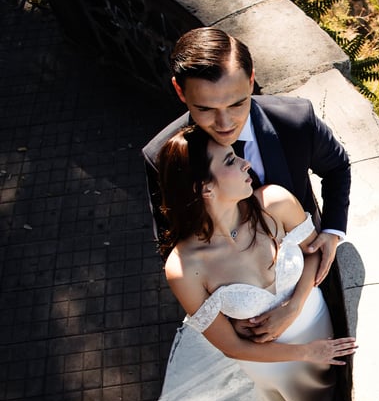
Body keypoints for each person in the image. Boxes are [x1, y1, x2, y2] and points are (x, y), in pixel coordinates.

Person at [148, 126, 357, 401]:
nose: (245, 163)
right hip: (268, 361)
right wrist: (306, 352)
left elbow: (312, 254)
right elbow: (230, 345)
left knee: (326, 387)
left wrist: (294, 306)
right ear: (203, 188)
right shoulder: (184, 268)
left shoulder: (274, 201)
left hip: (313, 315)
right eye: (229, 160)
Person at [142, 26, 351, 342]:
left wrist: (332, 234)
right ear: (181, 92)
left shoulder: (296, 121)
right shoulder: (162, 157)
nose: (225, 125)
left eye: (237, 104)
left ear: (251, 80)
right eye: (206, 109)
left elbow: (338, 167)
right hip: (244, 319)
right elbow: (172, 240)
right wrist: (226, 318)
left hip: (308, 275)